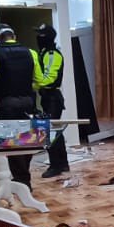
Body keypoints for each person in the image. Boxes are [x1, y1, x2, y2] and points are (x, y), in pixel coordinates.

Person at [0, 25, 45, 188]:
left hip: (7, 105)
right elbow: (39, 81)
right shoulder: (31, 53)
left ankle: (21, 179)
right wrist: (25, 86)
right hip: (28, 103)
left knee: (12, 142)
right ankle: (24, 176)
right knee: (28, 139)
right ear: (14, 36)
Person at [35, 24, 69, 178]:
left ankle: (56, 166)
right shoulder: (44, 52)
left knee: (49, 132)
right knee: (54, 131)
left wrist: (32, 85)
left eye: (40, 35)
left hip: (52, 98)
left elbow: (49, 79)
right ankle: (62, 163)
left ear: (46, 37)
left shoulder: (52, 54)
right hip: (47, 97)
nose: (37, 38)